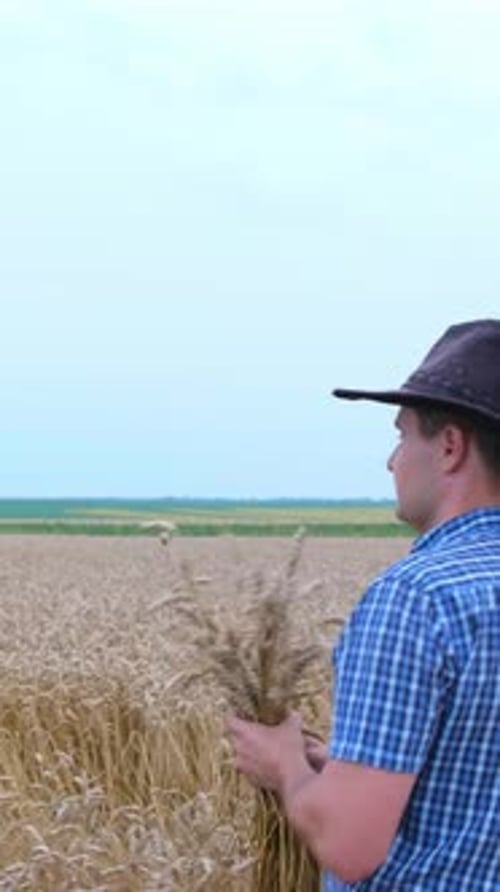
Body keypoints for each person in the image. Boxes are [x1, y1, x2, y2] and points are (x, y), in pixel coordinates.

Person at [228, 318, 500, 890]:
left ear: (450, 446)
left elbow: (350, 847)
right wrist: (337, 771)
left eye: (402, 436)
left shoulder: (416, 599)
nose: (392, 461)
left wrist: (283, 766)